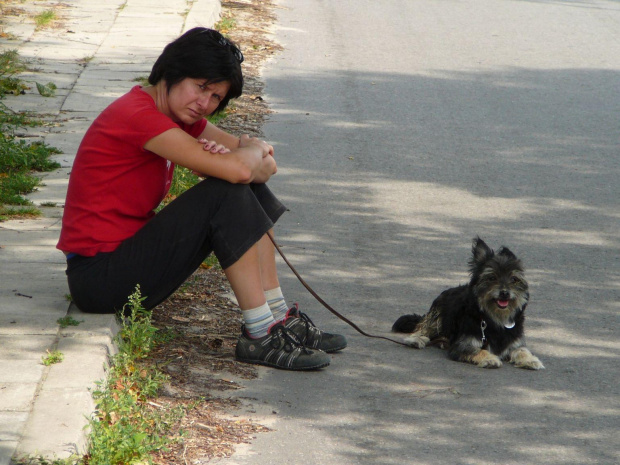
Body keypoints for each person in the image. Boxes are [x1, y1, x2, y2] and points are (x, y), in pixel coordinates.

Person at [56, 27, 346, 371]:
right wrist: (248, 151)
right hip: (98, 279)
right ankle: (259, 333)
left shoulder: (179, 117)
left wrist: (247, 156)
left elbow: (265, 169)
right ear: (172, 72)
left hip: (126, 261)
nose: (204, 103)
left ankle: (278, 316)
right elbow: (243, 167)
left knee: (243, 186)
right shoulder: (138, 115)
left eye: (215, 97)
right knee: (226, 190)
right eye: (201, 87)